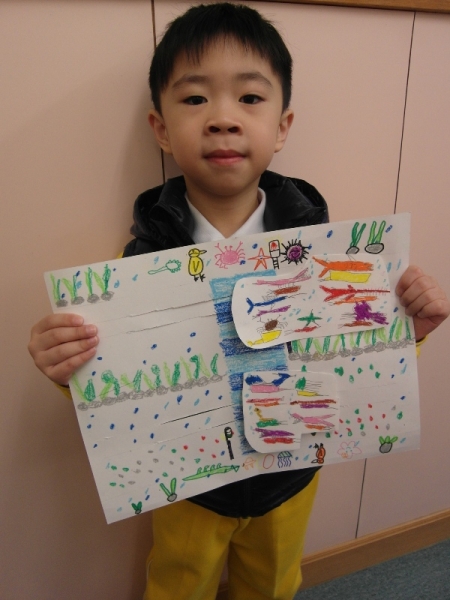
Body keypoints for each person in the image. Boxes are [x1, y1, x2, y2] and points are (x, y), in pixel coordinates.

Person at [28, 4, 450, 599]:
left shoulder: (323, 250)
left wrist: (410, 328)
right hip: (192, 486)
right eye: (195, 98)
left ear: (282, 126)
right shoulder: (140, 265)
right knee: (179, 585)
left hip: (290, 470)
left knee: (273, 584)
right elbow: (119, 382)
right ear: (161, 129)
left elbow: (354, 357)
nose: (223, 119)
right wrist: (67, 366)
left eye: (250, 98)